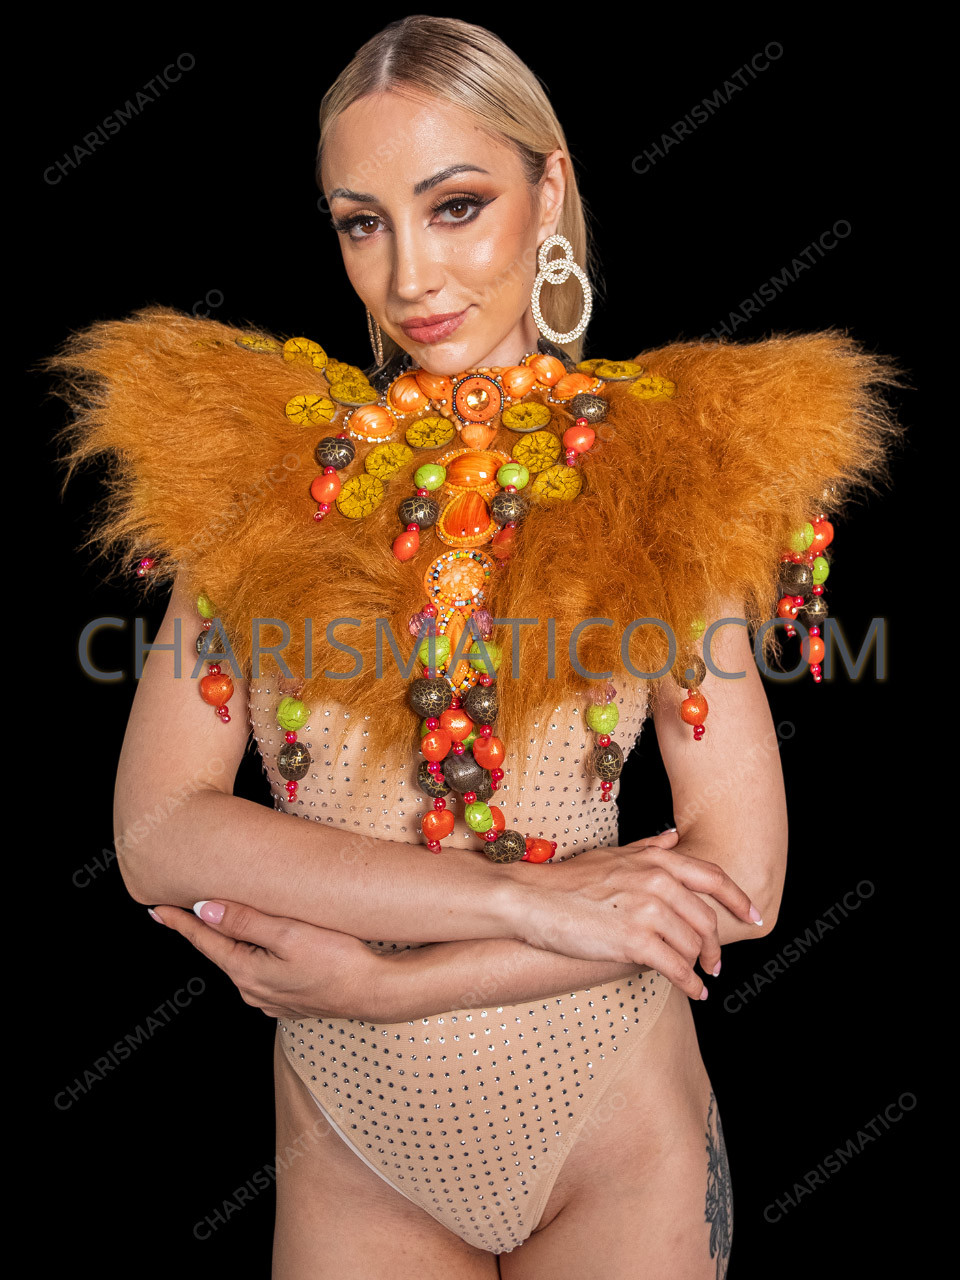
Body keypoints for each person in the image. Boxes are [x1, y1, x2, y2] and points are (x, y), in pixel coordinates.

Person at [47, 16, 901, 1278]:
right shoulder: (261, 482)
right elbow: (157, 831)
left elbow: (743, 877)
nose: (410, 277)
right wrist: (520, 898)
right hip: (352, 1152)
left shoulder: (663, 476)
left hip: (615, 1132)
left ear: (548, 192)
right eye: (364, 222)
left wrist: (390, 983)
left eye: (456, 206)